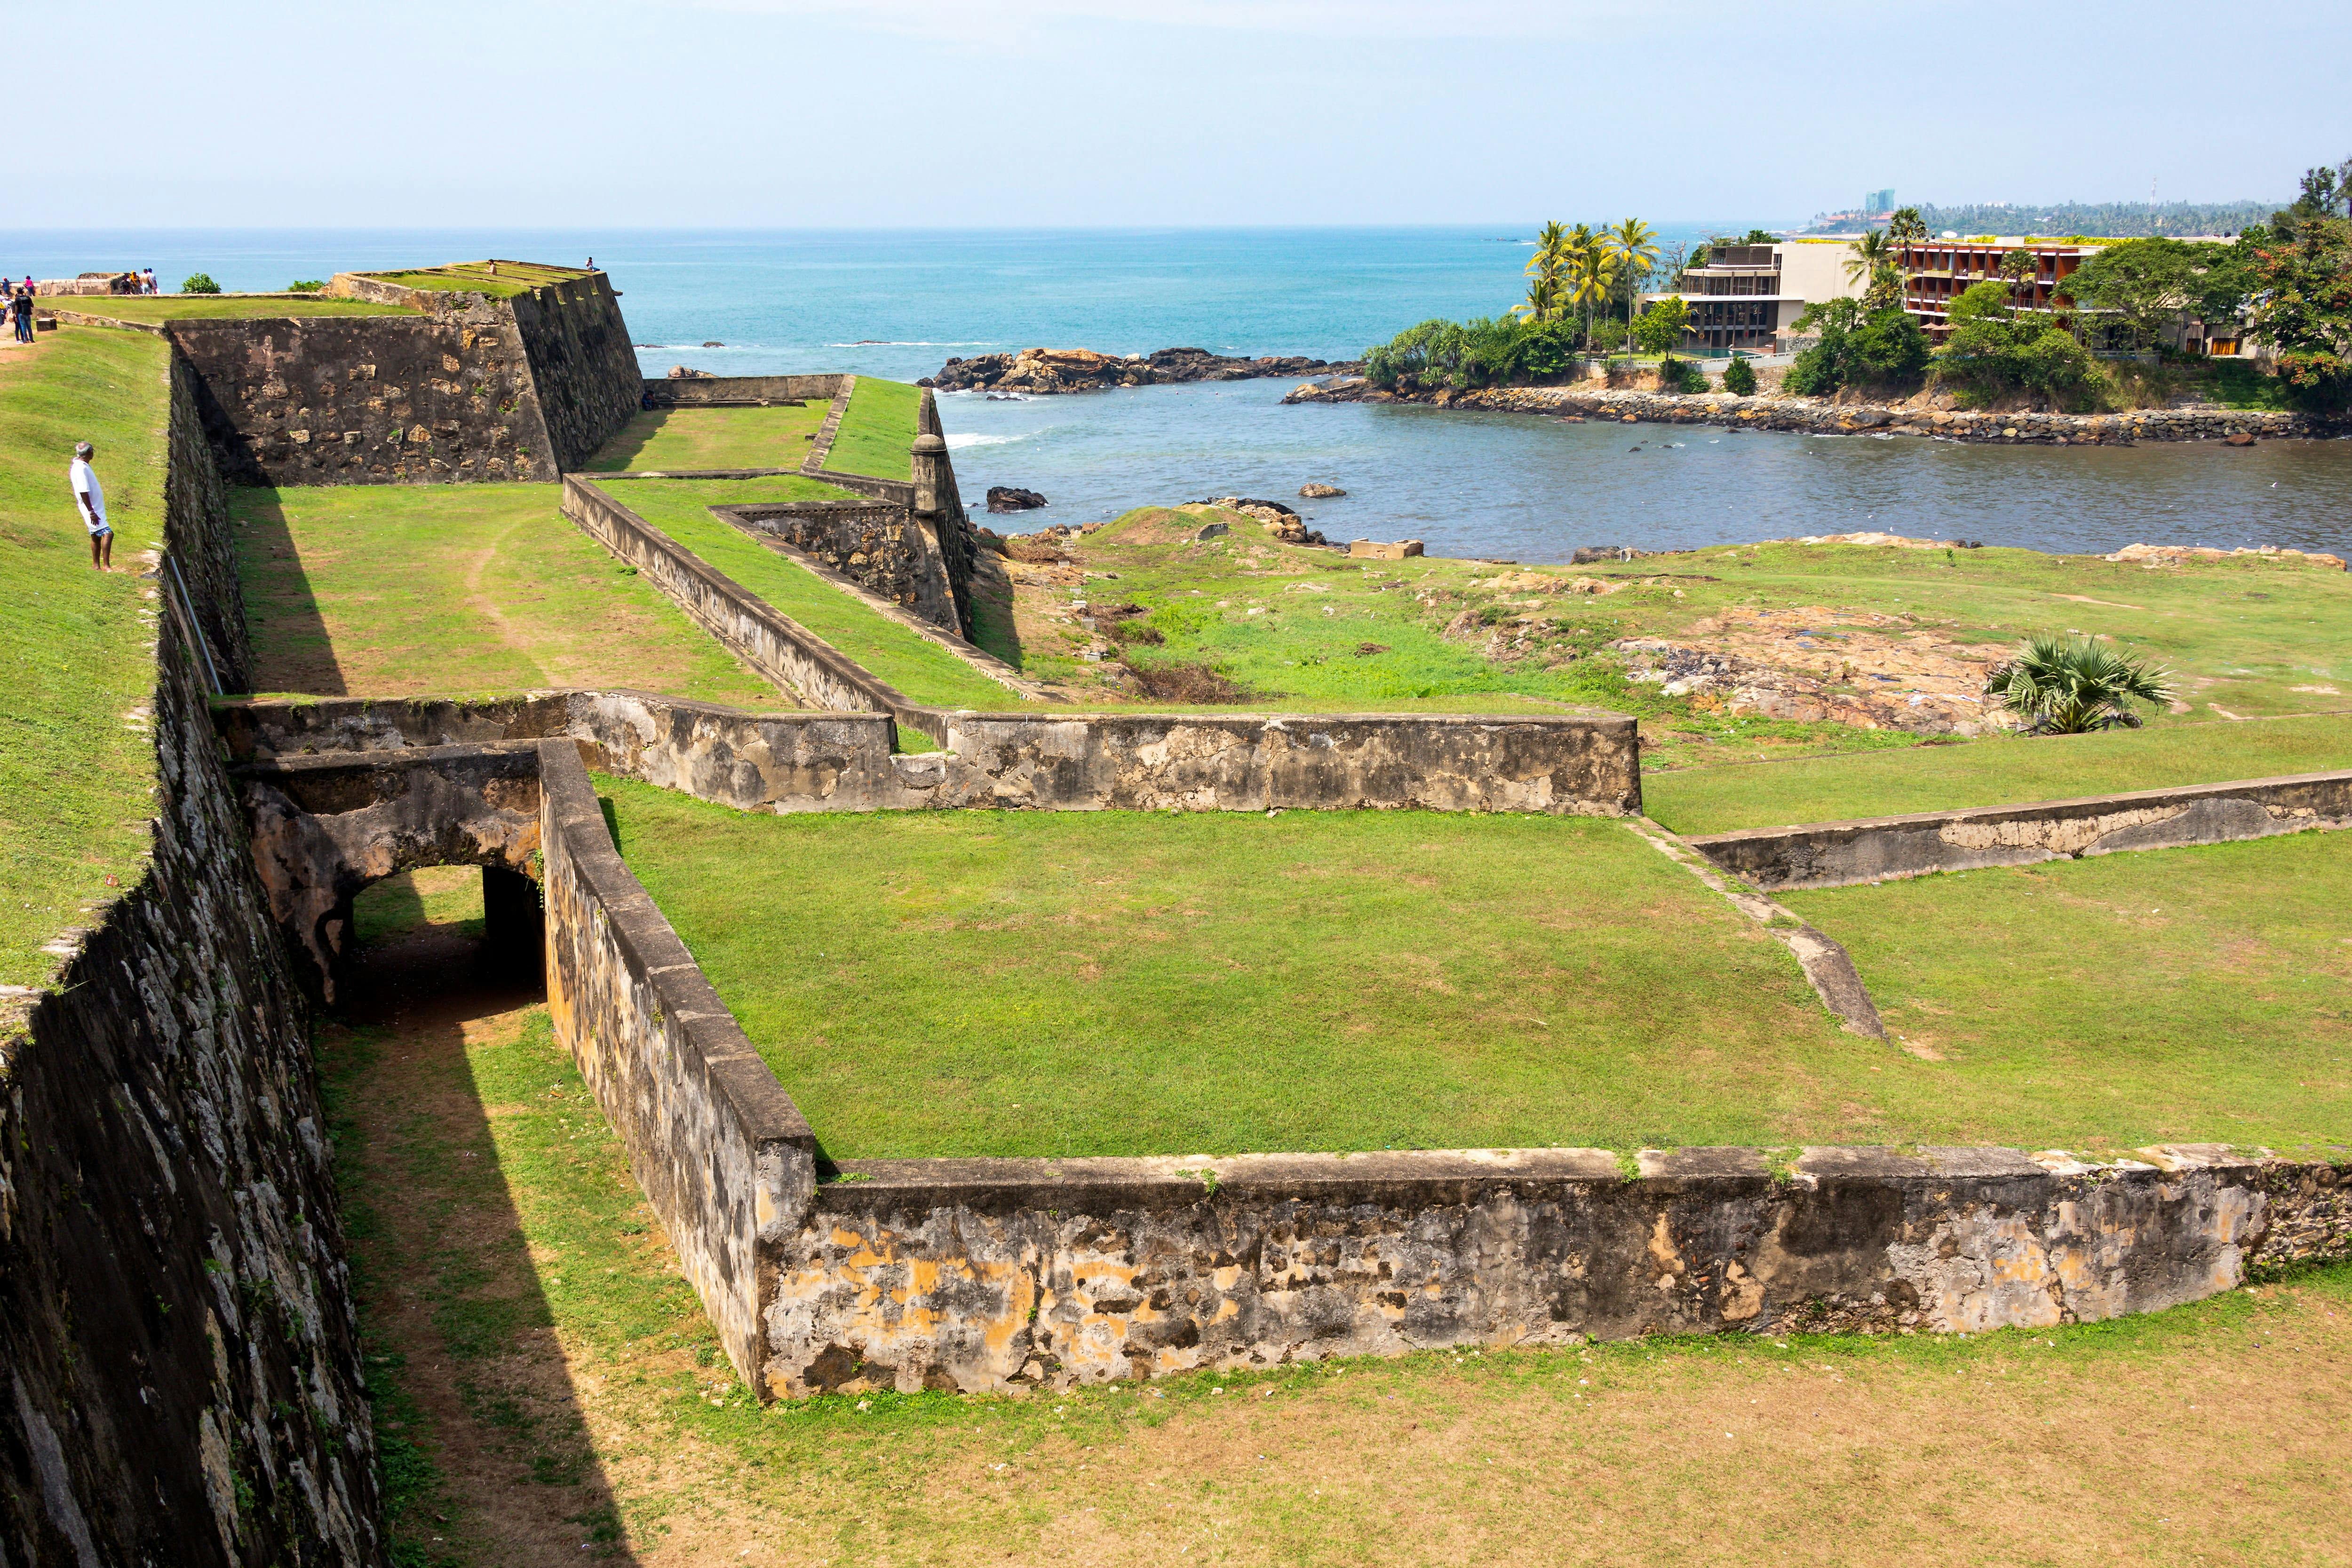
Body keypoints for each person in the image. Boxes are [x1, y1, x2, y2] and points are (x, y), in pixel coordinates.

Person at [71, 441, 111, 570]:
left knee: (95, 536)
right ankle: (106, 566)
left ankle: (96, 566)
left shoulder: (81, 466)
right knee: (108, 534)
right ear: (90, 453)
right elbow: (83, 490)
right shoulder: (81, 468)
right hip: (92, 508)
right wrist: (91, 512)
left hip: (94, 507)